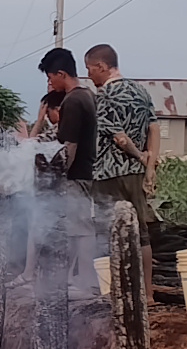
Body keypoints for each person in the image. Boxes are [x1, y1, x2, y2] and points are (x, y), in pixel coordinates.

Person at [84, 44, 160, 240]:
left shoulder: (105, 94)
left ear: (101, 67)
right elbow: (154, 128)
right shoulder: (141, 91)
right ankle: (143, 263)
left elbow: (120, 138)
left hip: (109, 174)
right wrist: (149, 167)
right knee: (140, 232)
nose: (89, 75)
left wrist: (140, 156)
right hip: (136, 174)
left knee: (109, 233)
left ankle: (111, 263)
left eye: (89, 69)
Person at [37, 48, 97, 182]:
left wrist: (57, 179)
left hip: (76, 178)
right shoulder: (89, 95)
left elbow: (70, 146)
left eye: (50, 77)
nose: (50, 82)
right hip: (89, 173)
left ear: (61, 74)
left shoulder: (72, 100)